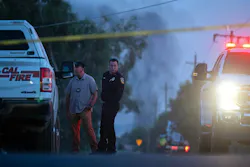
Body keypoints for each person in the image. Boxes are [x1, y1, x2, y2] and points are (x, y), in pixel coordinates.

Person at [65, 62, 98, 153]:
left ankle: (95, 149)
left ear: (82, 69)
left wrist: (91, 105)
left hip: (85, 109)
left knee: (89, 129)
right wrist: (67, 110)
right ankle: (75, 150)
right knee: (75, 131)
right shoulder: (72, 81)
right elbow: (67, 96)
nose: (75, 69)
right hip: (73, 109)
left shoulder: (89, 80)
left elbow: (95, 94)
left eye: (77, 68)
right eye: (75, 67)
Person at [97, 58, 125, 154]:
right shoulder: (105, 75)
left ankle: (111, 147)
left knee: (109, 124)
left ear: (117, 66)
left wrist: (110, 99)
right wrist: (104, 97)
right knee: (103, 125)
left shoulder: (119, 78)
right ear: (109, 66)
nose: (113, 67)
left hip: (113, 105)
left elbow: (119, 93)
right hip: (105, 103)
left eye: (114, 66)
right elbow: (103, 90)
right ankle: (102, 147)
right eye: (111, 65)